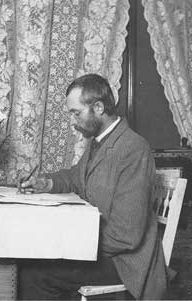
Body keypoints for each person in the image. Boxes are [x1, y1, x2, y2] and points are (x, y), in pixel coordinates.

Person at [18, 73, 169, 300]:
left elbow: (126, 235)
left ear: (98, 107)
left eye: (76, 113)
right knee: (31, 258)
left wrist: (69, 245)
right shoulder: (99, 141)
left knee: (36, 272)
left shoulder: (133, 149)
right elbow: (77, 177)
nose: (72, 121)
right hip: (105, 250)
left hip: (125, 263)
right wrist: (47, 182)